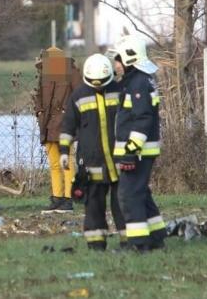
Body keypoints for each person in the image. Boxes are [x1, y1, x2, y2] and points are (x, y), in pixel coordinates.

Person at [60, 54, 126, 250]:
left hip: (120, 161)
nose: (98, 86)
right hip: (91, 164)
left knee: (122, 205)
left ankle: (129, 243)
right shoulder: (78, 96)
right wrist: (64, 151)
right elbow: (68, 126)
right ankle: (96, 245)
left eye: (102, 83)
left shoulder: (120, 91)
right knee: (94, 207)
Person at [110, 35, 166, 252]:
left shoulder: (138, 83)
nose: (115, 64)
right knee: (141, 192)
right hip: (142, 150)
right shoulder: (141, 80)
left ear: (129, 58)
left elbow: (142, 119)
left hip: (138, 151)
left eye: (118, 59)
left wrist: (130, 152)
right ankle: (157, 236)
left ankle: (138, 243)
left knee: (129, 194)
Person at [34, 47, 81, 213]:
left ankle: (68, 199)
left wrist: (70, 114)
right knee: (54, 164)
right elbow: (38, 95)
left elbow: (80, 96)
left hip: (65, 126)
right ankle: (56, 198)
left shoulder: (73, 73)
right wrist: (38, 111)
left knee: (67, 163)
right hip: (47, 125)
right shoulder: (44, 75)